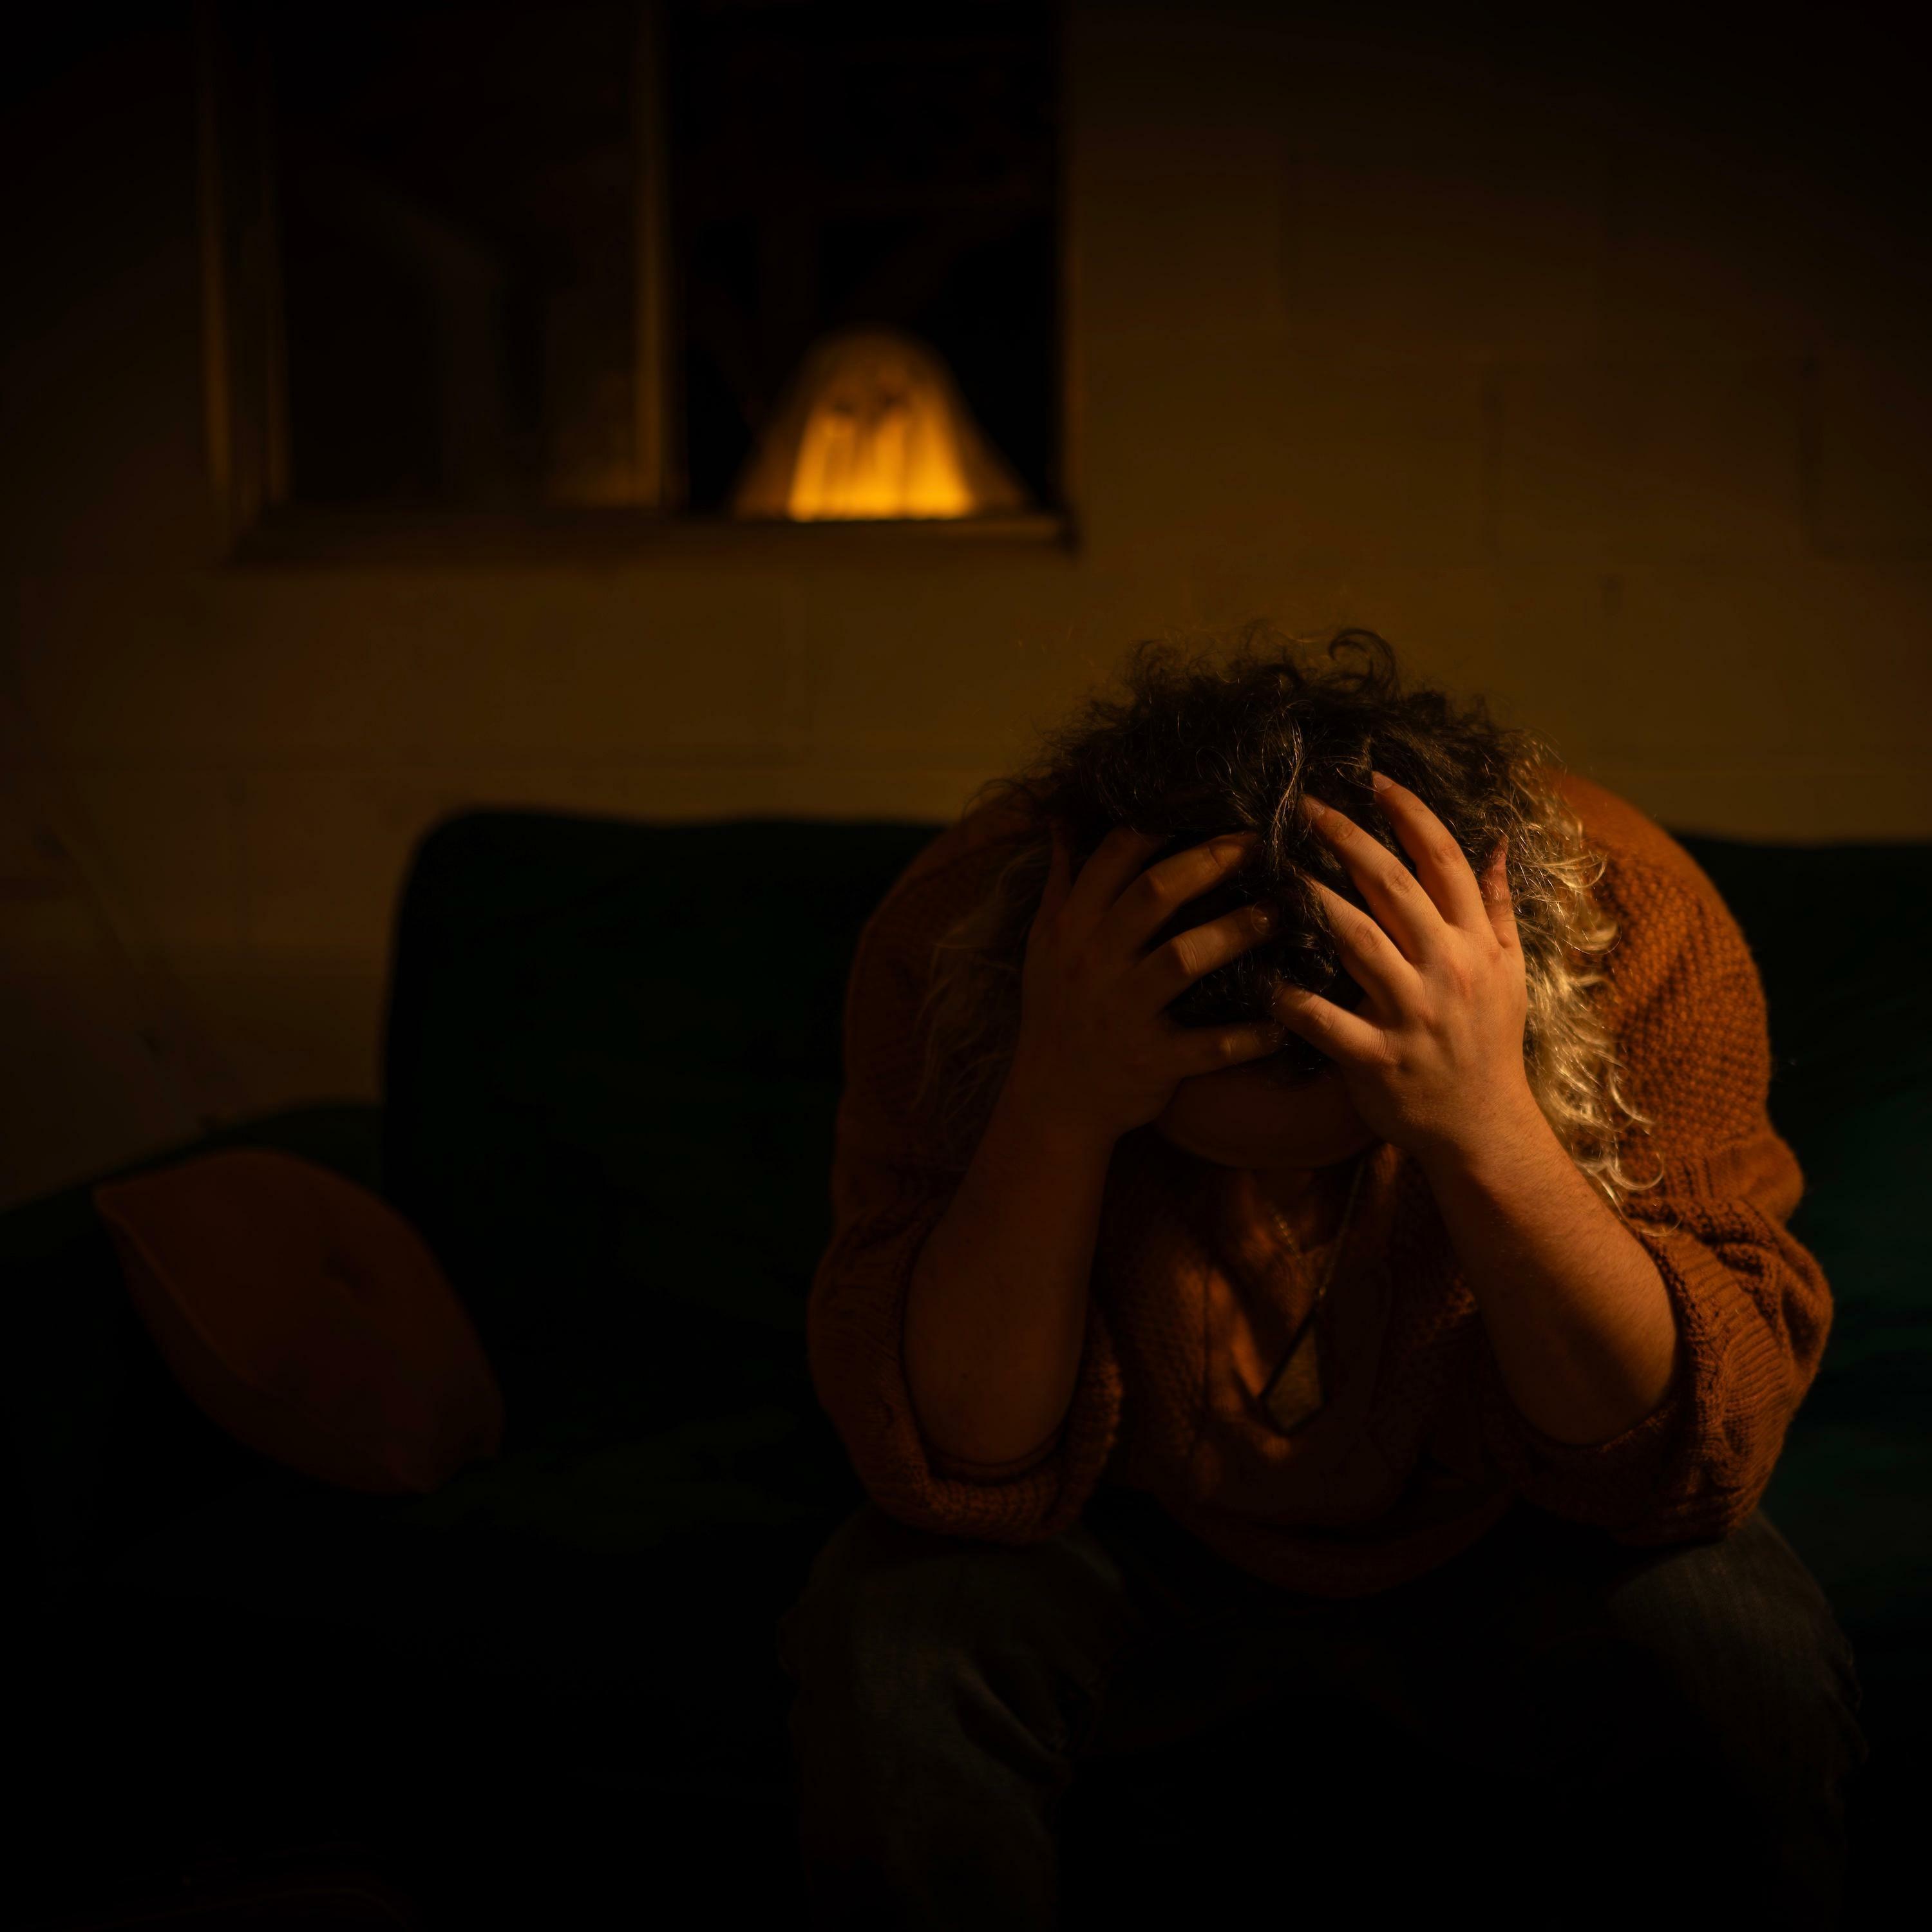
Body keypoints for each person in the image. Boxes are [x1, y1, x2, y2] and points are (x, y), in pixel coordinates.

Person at [774, 626, 1866, 1929]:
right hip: (1121, 1526)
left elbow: (1683, 1462)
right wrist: (1058, 1107)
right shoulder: (976, 936)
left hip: (1521, 1523)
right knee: (889, 1628)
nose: (1284, 1197)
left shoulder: (1625, 915)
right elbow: (956, 1462)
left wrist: (1479, 1122)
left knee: (1740, 1642)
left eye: (1334, 1151)